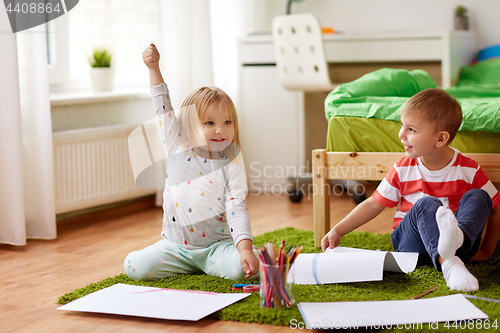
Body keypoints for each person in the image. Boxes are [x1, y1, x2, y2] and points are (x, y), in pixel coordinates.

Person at [321, 88, 500, 292]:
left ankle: (457, 238)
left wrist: (487, 248)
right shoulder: (402, 168)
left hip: (462, 247)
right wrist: (338, 229)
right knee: (426, 203)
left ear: (440, 139)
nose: (401, 134)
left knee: (480, 196)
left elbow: (495, 208)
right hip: (412, 246)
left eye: (411, 130)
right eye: (402, 126)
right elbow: (373, 204)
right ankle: (449, 263)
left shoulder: (469, 169)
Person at [124, 44, 259, 281]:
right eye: (209, 123)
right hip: (174, 248)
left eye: (228, 122)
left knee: (241, 270)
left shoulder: (232, 164)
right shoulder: (176, 145)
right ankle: (176, 262)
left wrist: (245, 248)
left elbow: (237, 206)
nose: (220, 130)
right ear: (188, 123)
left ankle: (247, 255)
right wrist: (154, 68)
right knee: (136, 269)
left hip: (215, 249)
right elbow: (162, 107)